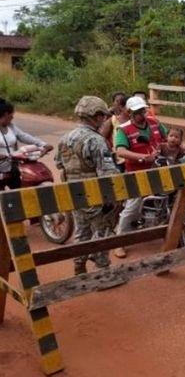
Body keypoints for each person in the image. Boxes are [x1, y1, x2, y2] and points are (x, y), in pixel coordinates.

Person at [55, 96, 120, 275]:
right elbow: (107, 174)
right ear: (96, 116)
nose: (104, 119)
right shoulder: (96, 141)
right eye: (103, 116)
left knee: (82, 231)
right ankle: (102, 271)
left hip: (75, 195)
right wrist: (111, 199)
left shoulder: (64, 139)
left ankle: (79, 266)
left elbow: (60, 165)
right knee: (103, 232)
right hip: (96, 196)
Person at [113, 96, 168, 258]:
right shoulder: (124, 129)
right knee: (133, 206)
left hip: (159, 169)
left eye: (142, 111)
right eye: (137, 112)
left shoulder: (155, 123)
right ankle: (119, 241)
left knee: (171, 196)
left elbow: (167, 140)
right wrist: (142, 157)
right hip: (137, 173)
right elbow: (120, 151)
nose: (141, 115)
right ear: (130, 113)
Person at [0, 98, 53, 190]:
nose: (12, 118)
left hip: (13, 166)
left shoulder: (11, 127)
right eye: (11, 116)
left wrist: (43, 144)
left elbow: (25, 136)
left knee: (20, 189)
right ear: (5, 114)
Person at [99, 92, 128, 172]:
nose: (119, 104)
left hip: (130, 156)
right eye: (117, 101)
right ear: (113, 103)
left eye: (121, 102)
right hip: (118, 158)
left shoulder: (131, 117)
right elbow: (102, 136)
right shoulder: (112, 119)